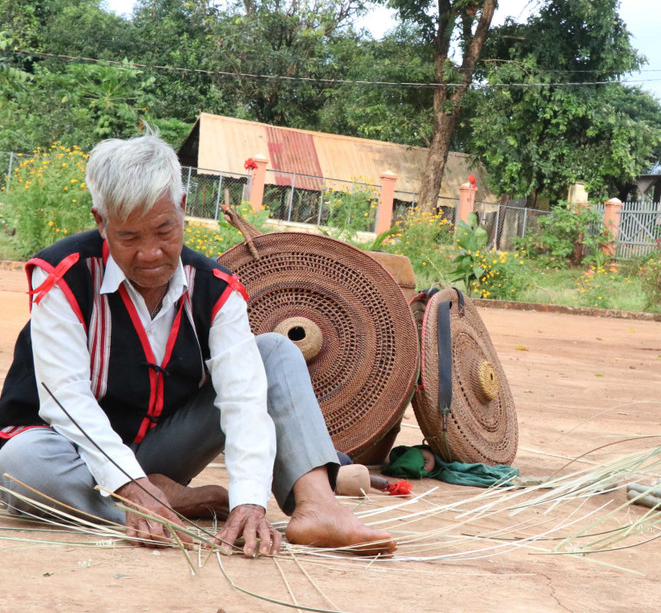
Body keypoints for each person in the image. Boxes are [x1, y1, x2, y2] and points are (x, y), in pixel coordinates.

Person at [0, 132, 395, 558]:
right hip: (70, 452)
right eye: (129, 237)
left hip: (161, 448)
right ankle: (171, 506)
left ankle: (318, 507)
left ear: (183, 208)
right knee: (20, 464)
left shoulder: (215, 289)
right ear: (101, 221)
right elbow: (66, 399)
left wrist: (248, 499)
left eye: (164, 230)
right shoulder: (63, 276)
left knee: (276, 353)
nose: (150, 253)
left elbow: (244, 399)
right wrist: (133, 485)